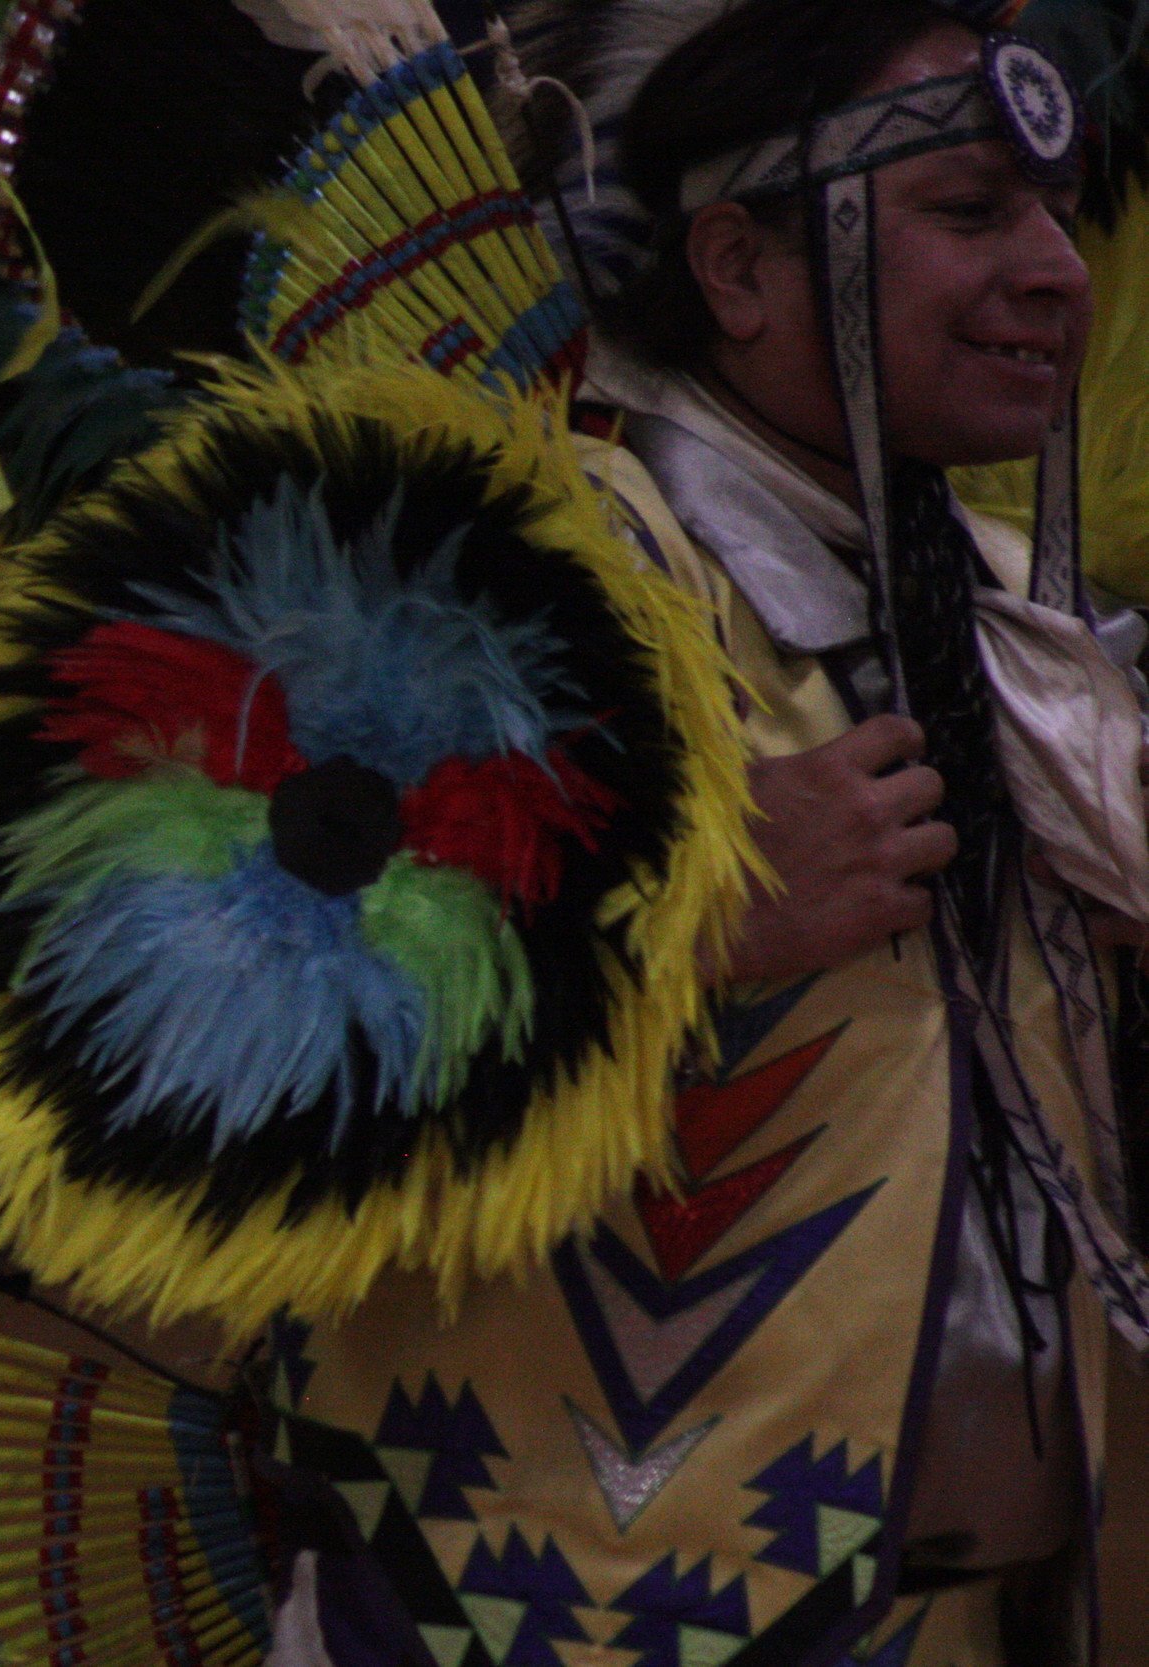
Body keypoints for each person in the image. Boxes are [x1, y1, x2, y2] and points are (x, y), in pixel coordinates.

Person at [276, 3, 1148, 1661]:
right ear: (736, 268)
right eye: (972, 212)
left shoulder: (1025, 636)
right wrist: (675, 918)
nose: (1057, 270)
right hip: (534, 1604)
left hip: (965, 1607)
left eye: (1061, 212)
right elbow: (192, 1031)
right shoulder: (510, 572)